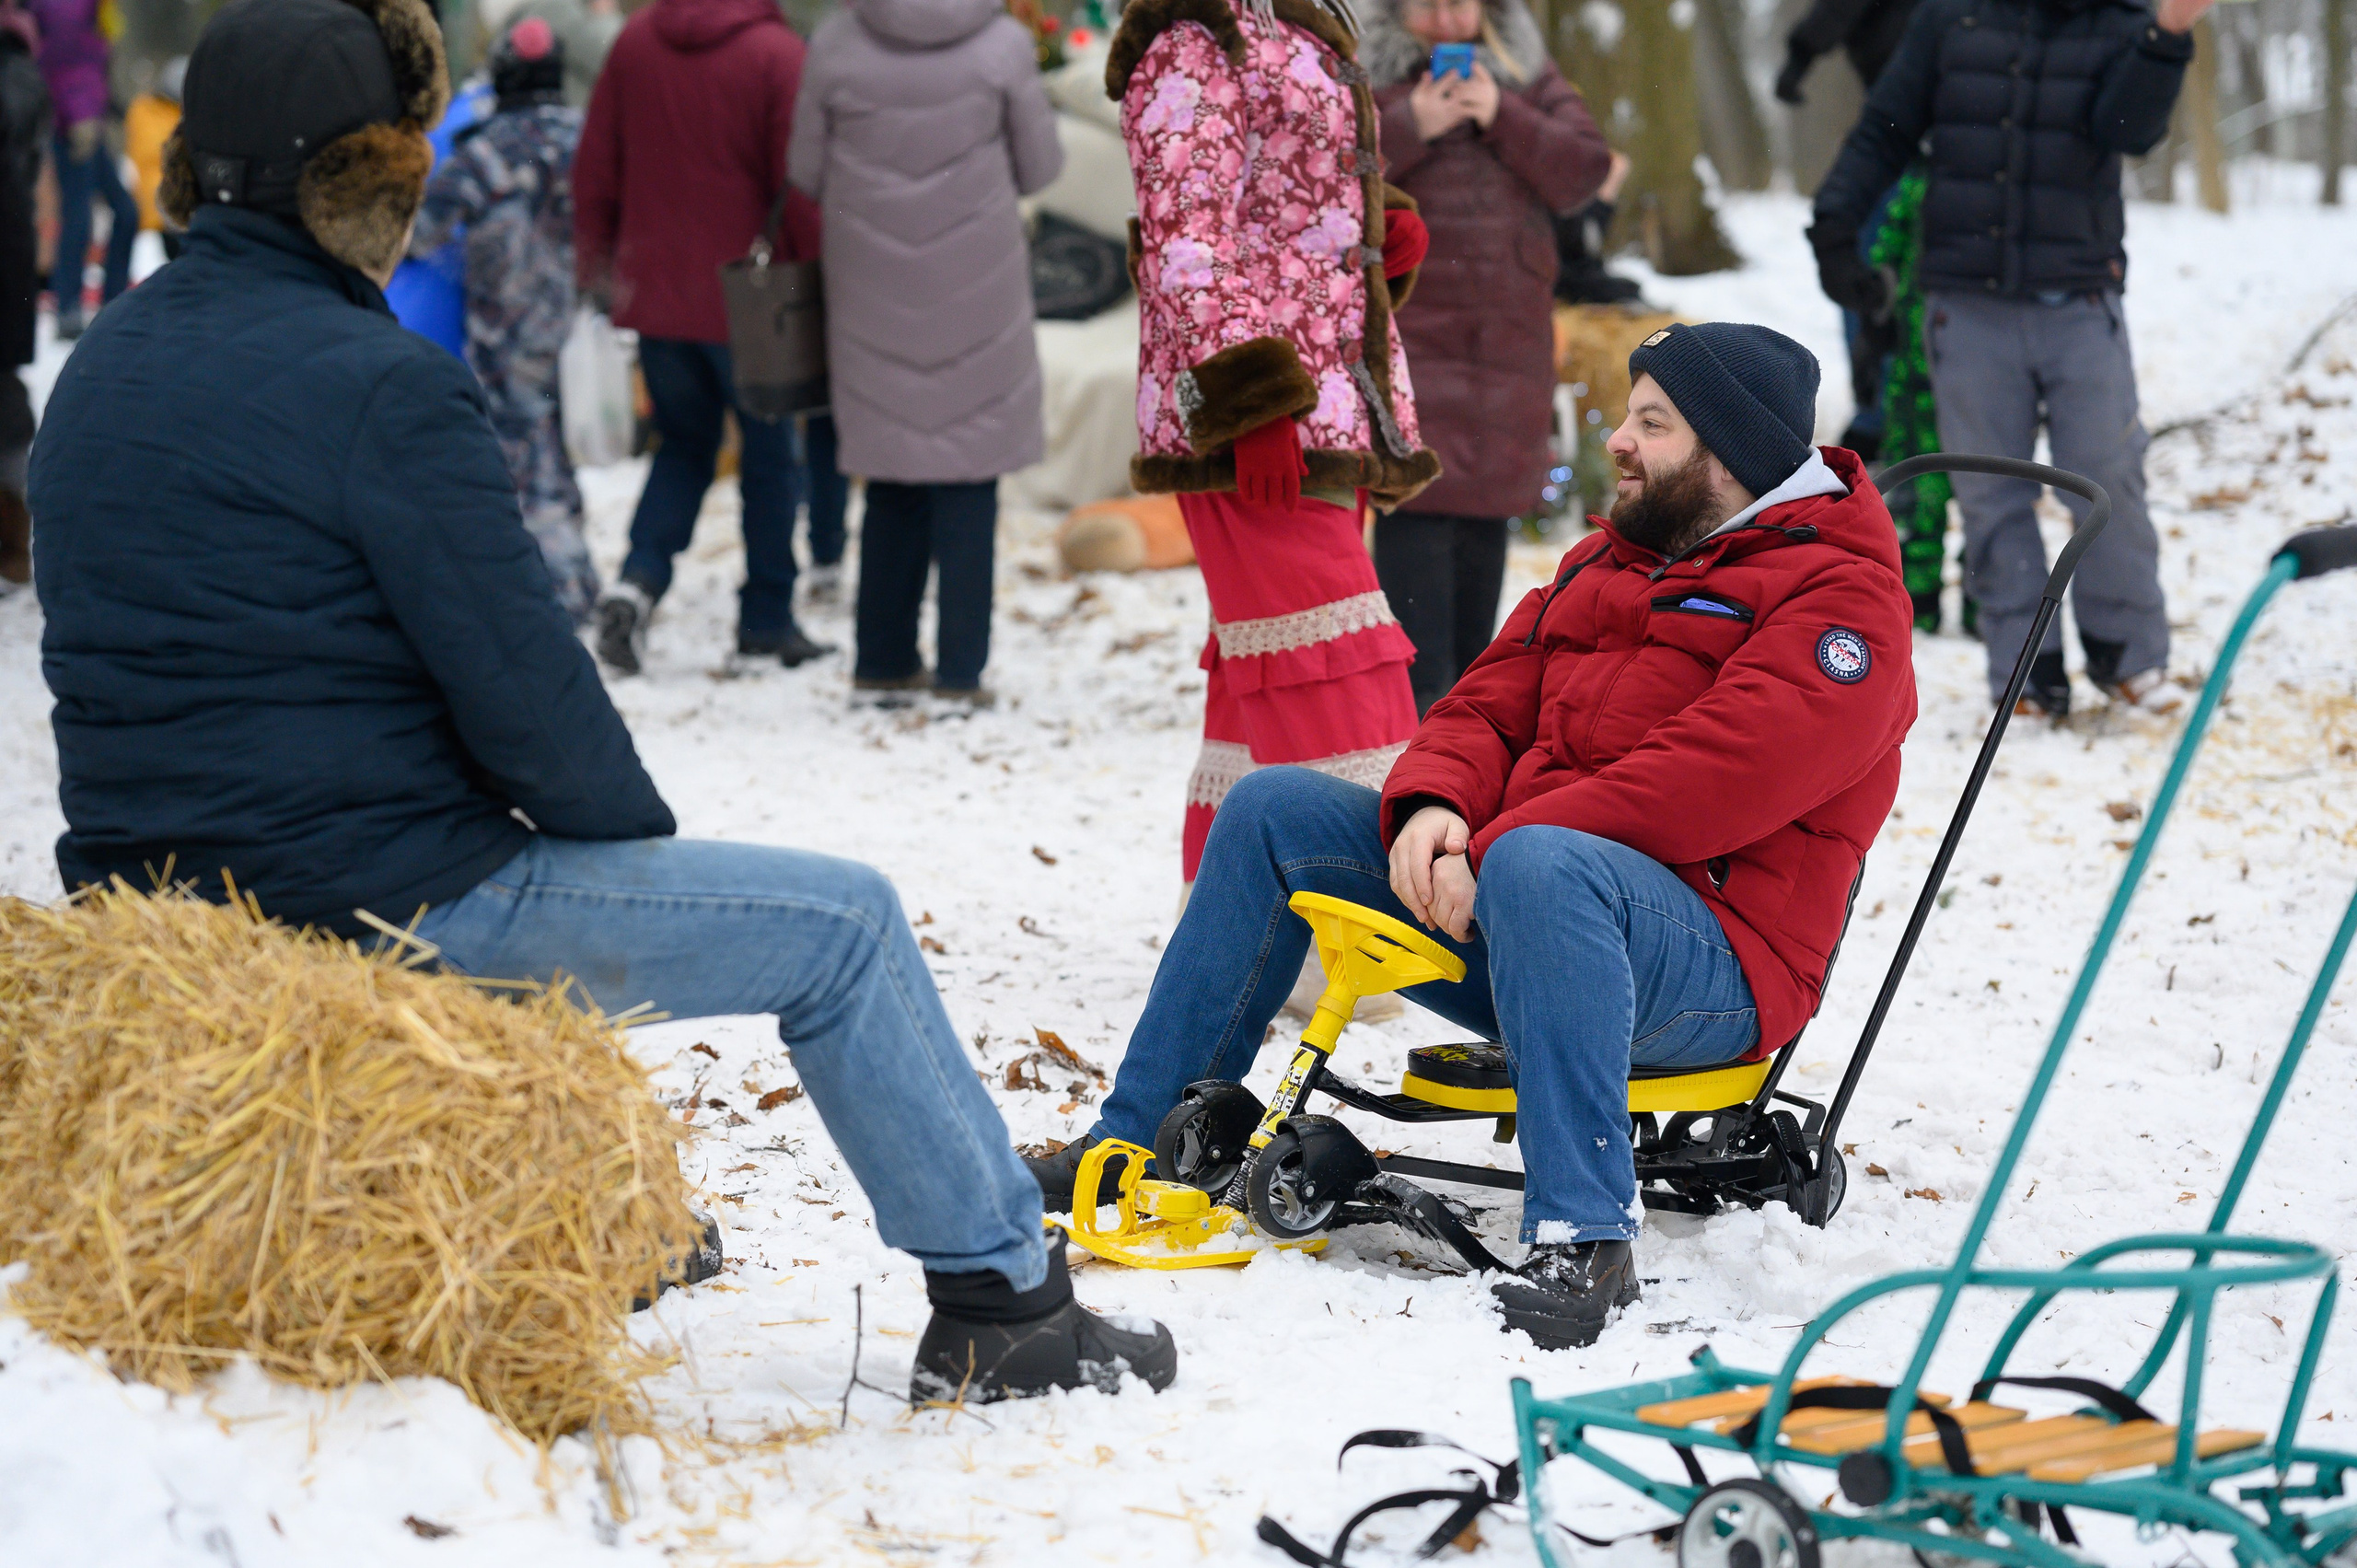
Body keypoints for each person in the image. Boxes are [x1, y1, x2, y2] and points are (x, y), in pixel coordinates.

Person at [31, 0, 1176, 1405]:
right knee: (843, 924)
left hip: (159, 915)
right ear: (373, 183)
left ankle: (607, 1215)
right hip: (371, 898)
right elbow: (533, 705)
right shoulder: (382, 388)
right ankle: (1009, 1303)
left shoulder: (95, 370)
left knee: (563, 871)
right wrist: (626, 846)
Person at [1030, 324, 1917, 1348]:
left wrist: (1493, 852)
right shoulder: (1610, 556)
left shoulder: (1843, 601)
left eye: (1652, 423)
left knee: (1547, 861)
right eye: (1628, 415)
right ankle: (1137, 1145)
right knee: (1273, 807)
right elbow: (1484, 707)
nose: (1618, 441)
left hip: (1712, 966)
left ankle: (1584, 1238)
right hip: (1528, 905)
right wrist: (1435, 809)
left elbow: (1714, 778)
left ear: (1732, 454)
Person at [1111, 0, 1438, 889]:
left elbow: (1285, 193)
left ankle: (1243, 923)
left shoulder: (1289, 19)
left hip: (1326, 406)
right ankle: (1366, 924)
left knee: (1271, 675)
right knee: (1336, 675)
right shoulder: (1194, 35)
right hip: (1258, 415)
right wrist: (1249, 403)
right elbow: (1187, 241)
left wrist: (1381, 230)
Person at [1811, 0, 2209, 719]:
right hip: (1964, 303)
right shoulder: (1950, 19)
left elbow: (2129, 130)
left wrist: (2167, 36)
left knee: (2107, 474)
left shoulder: (2121, 20)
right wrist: (1834, 224)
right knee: (1989, 491)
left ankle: (2131, 656)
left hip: (2080, 301)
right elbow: (1887, 129)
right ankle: (2026, 669)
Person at [789, 0, 1062, 704]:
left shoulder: (837, 41)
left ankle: (881, 660)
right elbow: (1040, 168)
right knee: (971, 482)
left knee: (891, 474)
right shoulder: (1003, 43)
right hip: (979, 288)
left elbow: (805, 168)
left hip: (871, 284)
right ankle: (960, 672)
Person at [1362, 0, 1609, 716]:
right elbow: (1320, 174)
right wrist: (1412, 124)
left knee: (1486, 515)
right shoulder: (1367, 77)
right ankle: (1413, 712)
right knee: (1417, 506)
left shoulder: (1527, 73)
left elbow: (1584, 170)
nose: (1445, 17)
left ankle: (1468, 718)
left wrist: (1504, 113)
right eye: (1427, 2)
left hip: (1506, 339)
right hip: (1410, 335)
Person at [575, 0, 831, 676]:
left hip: (657, 293)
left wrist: (597, 266)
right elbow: (800, 184)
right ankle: (767, 618)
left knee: (683, 445)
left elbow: (597, 163)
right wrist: (820, 273)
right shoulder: (777, 56)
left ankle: (637, 580)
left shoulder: (634, 43)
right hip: (754, 297)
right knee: (771, 457)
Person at [412, 17, 599, 622]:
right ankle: (577, 572)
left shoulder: (490, 148)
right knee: (556, 448)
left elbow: (421, 232)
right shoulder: (587, 137)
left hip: (508, 330)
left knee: (526, 456)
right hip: (576, 320)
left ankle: (563, 590)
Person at [29, 0, 131, 338]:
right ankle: (68, 306)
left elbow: (91, 61)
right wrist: (76, 114)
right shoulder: (63, 7)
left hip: (92, 118)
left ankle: (111, 301)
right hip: (72, 124)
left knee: (126, 211)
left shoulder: (97, 8)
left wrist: (110, 103)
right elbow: (55, 63)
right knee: (79, 215)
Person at [0, 0, 42, 592]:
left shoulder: (13, 66)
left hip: (5, 237)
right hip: (9, 236)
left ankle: (13, 541)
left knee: (4, 397)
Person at [1551, 149, 1643, 308]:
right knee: (1625, 289)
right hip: (1564, 282)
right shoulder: (1567, 206)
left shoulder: (1596, 208)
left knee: (1631, 287)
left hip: (1581, 277)